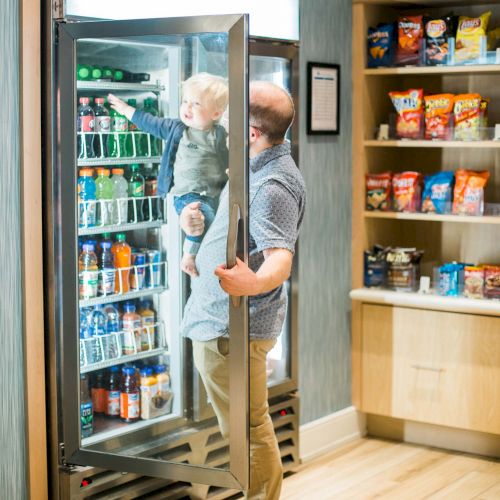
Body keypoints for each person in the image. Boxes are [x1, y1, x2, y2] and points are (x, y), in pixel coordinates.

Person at [180, 81, 306, 499]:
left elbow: (279, 259)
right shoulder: (256, 167)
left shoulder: (272, 185)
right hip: (223, 326)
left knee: (247, 431)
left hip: (231, 331)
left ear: (253, 133)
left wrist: (252, 282)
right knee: (243, 426)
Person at [107, 72, 229, 277]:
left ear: (215, 114)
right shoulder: (176, 128)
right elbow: (150, 122)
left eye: (196, 104)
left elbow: (230, 158)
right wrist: (127, 110)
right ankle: (188, 256)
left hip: (213, 195)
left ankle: (206, 259)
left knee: (213, 221)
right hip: (185, 196)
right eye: (185, 101)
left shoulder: (218, 135)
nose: (187, 108)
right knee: (202, 217)